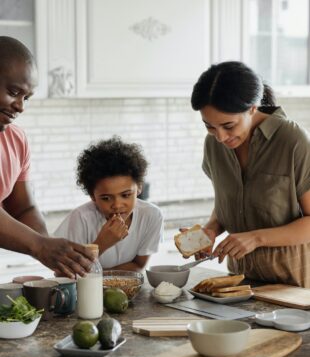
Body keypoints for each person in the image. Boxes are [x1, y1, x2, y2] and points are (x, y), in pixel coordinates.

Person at [190, 61, 310, 287]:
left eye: (229, 126)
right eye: (209, 127)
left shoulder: (292, 141)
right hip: (240, 283)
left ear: (253, 108)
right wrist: (211, 230)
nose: (221, 137)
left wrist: (256, 238)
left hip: (294, 284)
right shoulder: (214, 145)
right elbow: (229, 203)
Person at [0, 36, 94, 278]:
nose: (20, 106)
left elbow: (24, 208)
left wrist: (55, 253)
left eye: (26, 97)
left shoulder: (16, 139)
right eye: (13, 92)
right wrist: (39, 246)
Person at [54, 136, 164, 272]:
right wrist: (102, 243)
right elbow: (63, 273)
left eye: (125, 195)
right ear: (92, 196)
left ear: (139, 187)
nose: (117, 205)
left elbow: (138, 265)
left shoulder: (151, 215)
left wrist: (102, 278)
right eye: (106, 198)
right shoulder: (81, 218)